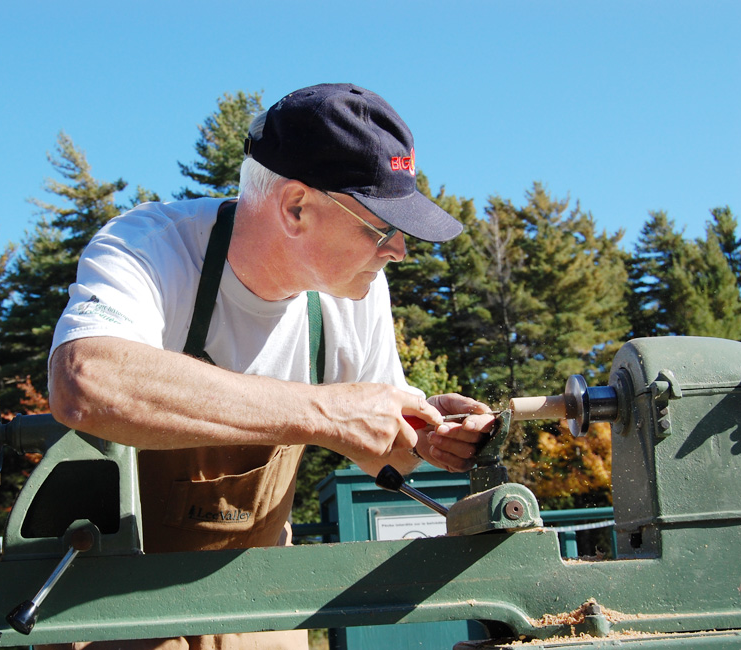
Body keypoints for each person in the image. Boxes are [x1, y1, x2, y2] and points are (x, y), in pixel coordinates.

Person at [46, 83, 495, 650]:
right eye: (382, 228)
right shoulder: (149, 249)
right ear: (295, 207)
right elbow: (85, 382)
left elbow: (385, 449)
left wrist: (428, 434)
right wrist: (325, 411)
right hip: (107, 603)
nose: (399, 251)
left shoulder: (355, 294)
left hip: (255, 596)